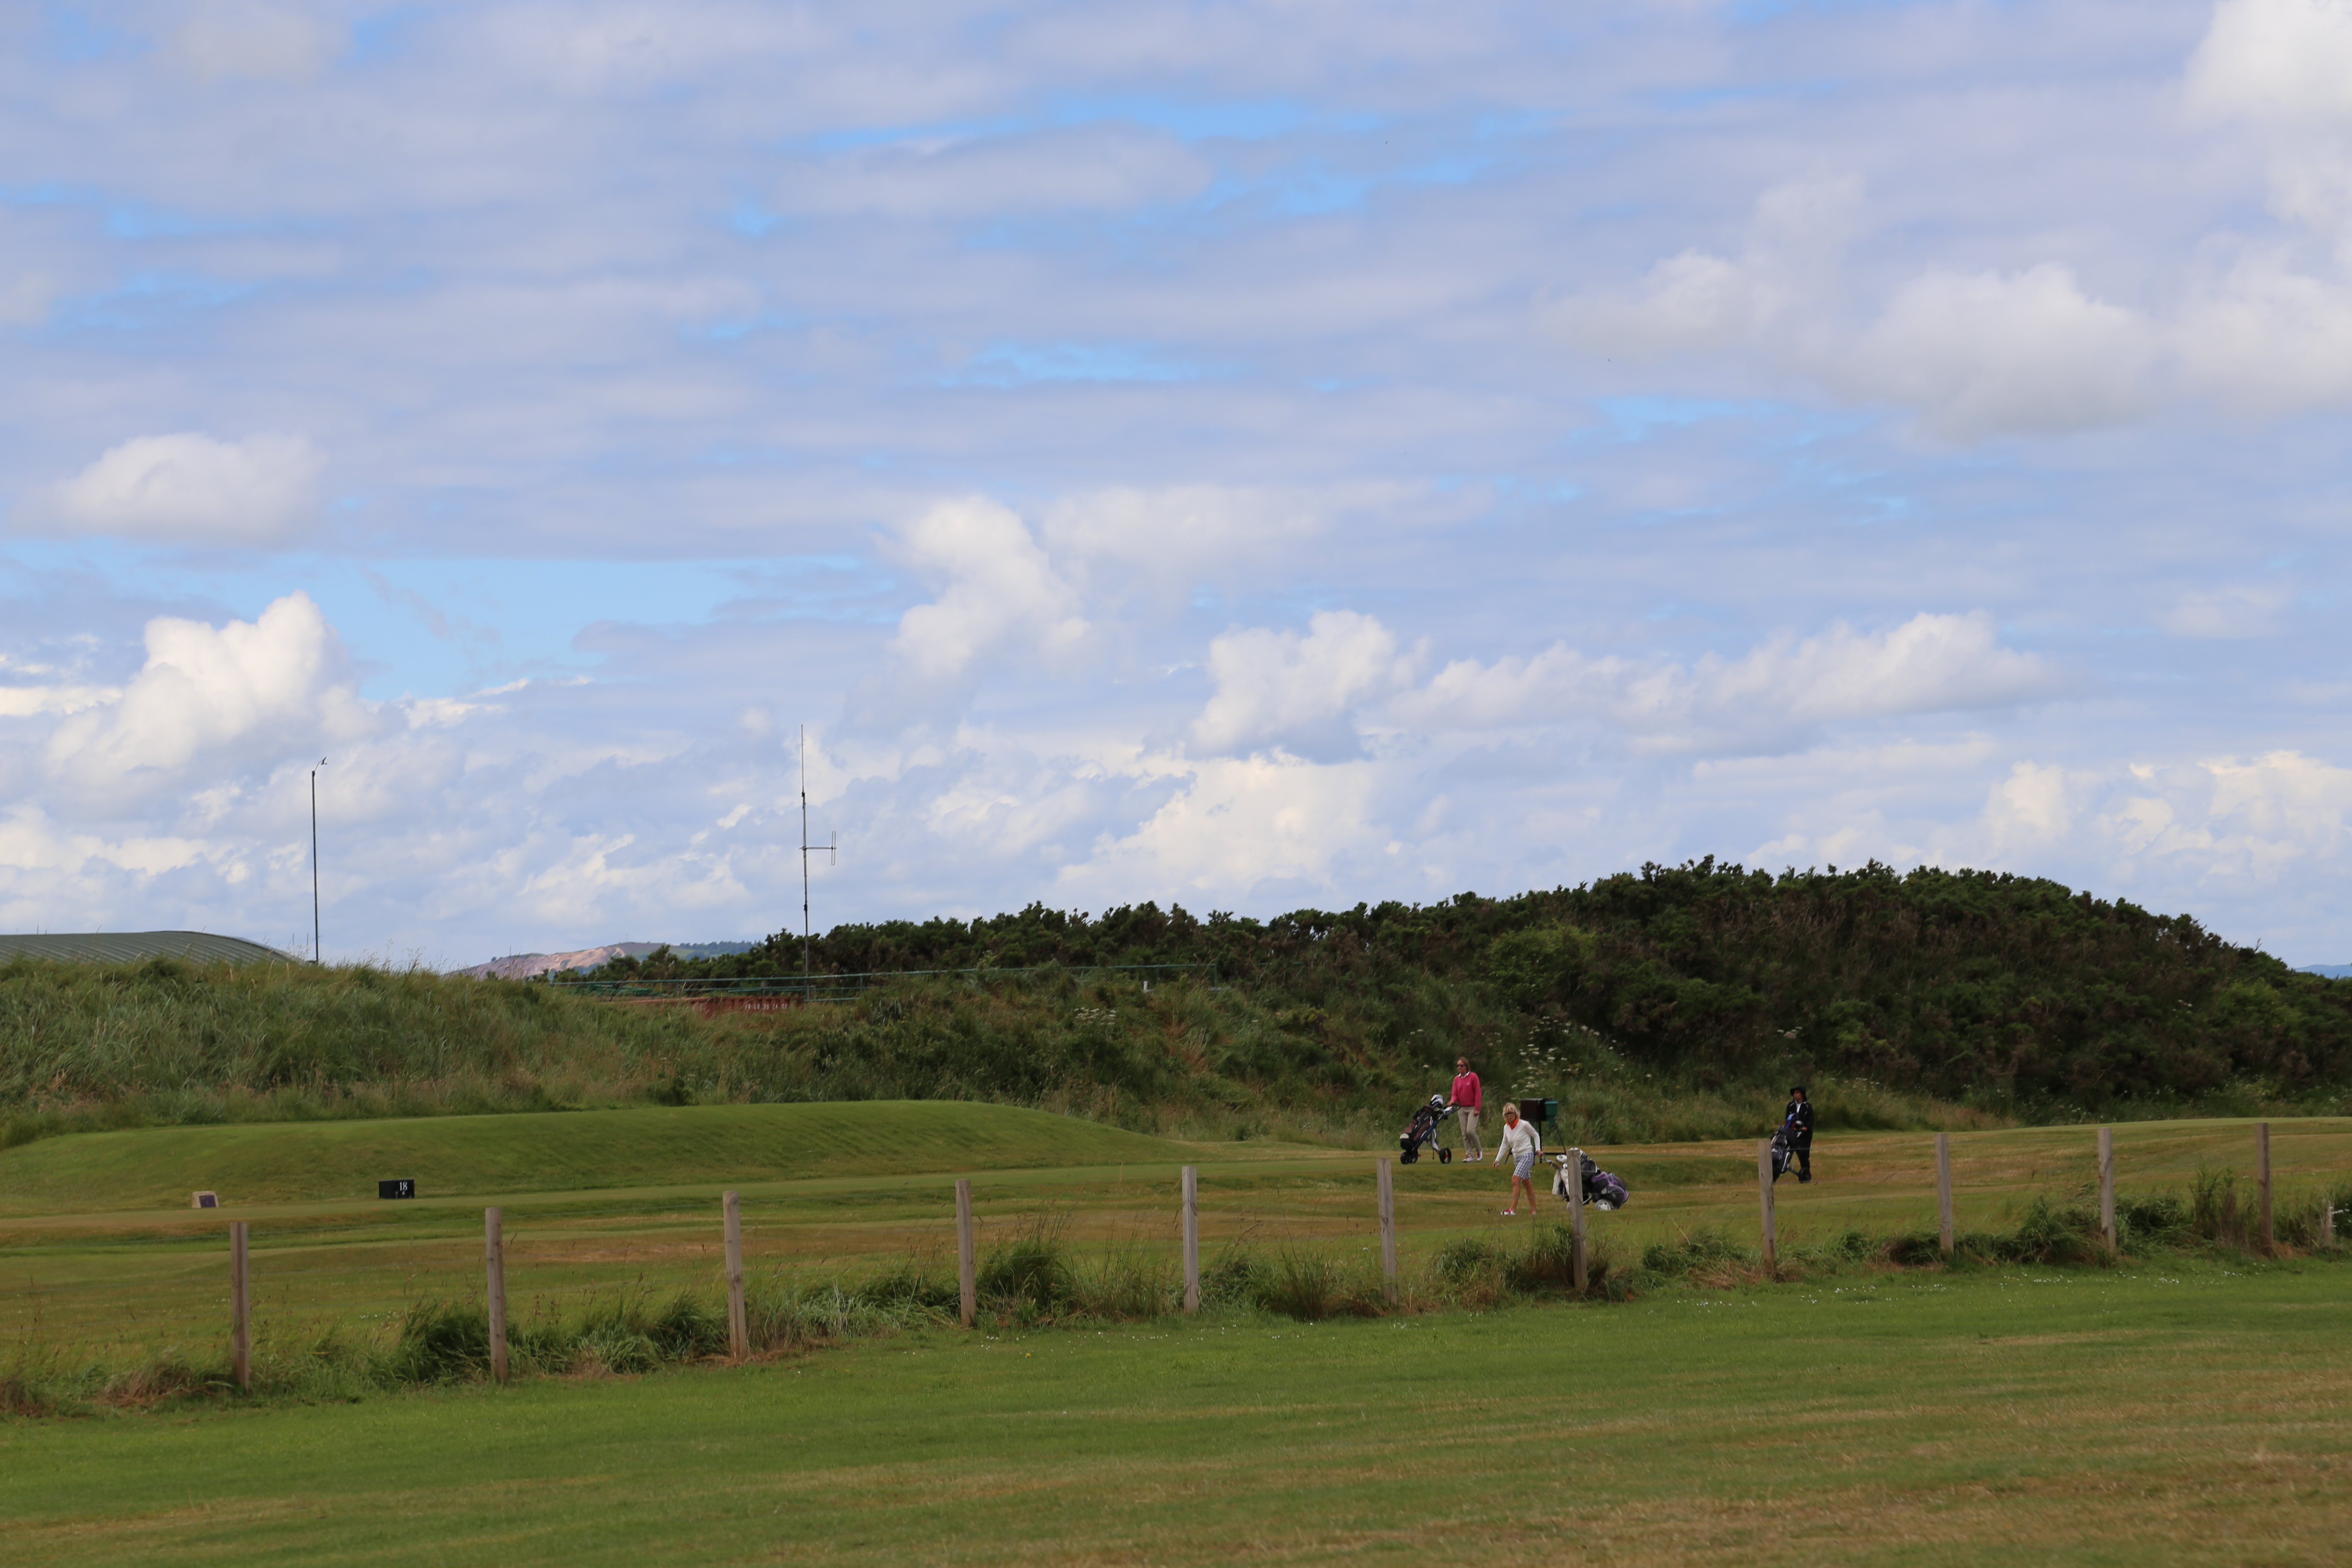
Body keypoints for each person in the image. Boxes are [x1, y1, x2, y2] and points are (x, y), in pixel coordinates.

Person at [1494, 1102, 1541, 1214]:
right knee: (1527, 1184)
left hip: (1527, 1155)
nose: (1509, 1116)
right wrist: (1498, 1159)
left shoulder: (1524, 1124)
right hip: (1517, 1157)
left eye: (1511, 1113)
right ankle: (1534, 1210)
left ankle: (1512, 1210)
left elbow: (1535, 1135)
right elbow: (1504, 1144)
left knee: (1515, 1181)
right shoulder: (1506, 1128)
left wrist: (1538, 1149)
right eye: (1507, 1114)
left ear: (1516, 1114)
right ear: (1504, 1116)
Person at [1449, 1057, 1483, 1161]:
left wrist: (1477, 1108)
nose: (1459, 1067)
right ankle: (1469, 1155)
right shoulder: (1457, 1079)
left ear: (1466, 1067)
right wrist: (1452, 1101)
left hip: (1473, 1108)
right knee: (1464, 1133)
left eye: (1462, 1065)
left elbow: (1478, 1093)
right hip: (1462, 1108)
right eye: (1458, 1066)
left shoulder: (1473, 1077)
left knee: (1470, 1131)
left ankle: (1479, 1151)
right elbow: (1455, 1094)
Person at [1783, 1085, 1815, 1183]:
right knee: (1791, 1150)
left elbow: (1811, 1119)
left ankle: (1806, 1174)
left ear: (1802, 1095)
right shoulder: (1791, 1105)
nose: (1795, 1095)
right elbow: (1787, 1118)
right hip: (1793, 1132)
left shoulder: (1807, 1106)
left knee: (1803, 1154)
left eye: (1797, 1093)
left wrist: (1806, 1127)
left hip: (1805, 1133)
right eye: (1794, 1093)